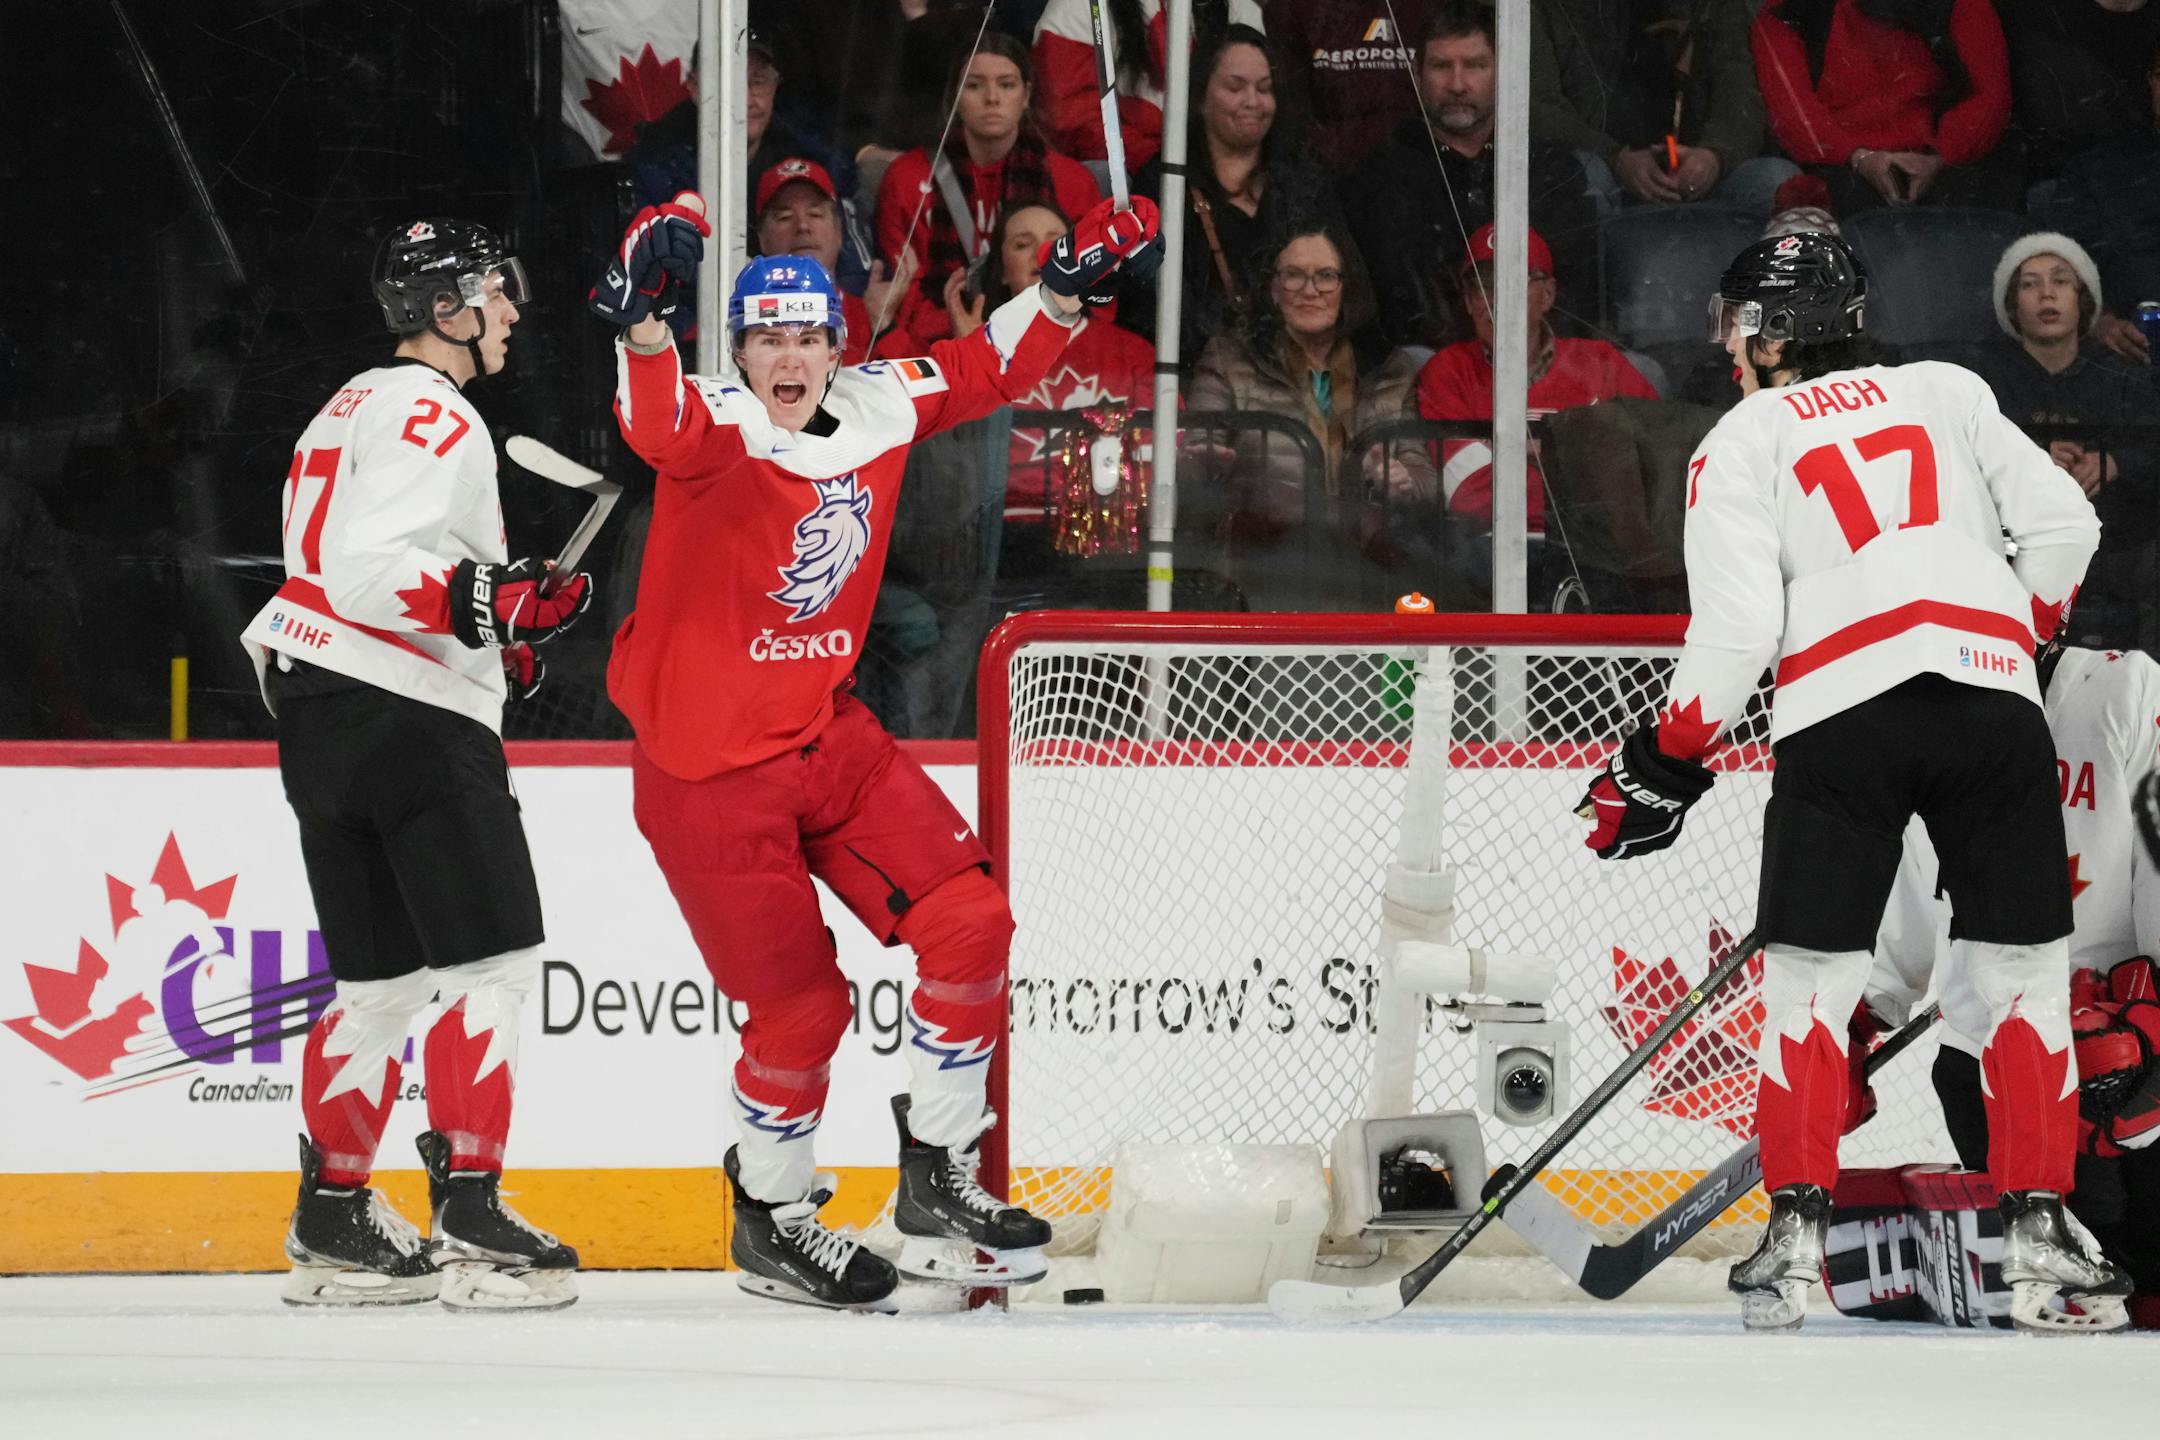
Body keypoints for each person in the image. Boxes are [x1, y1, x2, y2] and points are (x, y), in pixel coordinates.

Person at [590, 188, 1161, 1308]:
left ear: (838, 343)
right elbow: (654, 421)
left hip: (825, 733)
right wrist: (642, 326)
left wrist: (1063, 291)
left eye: (807, 336)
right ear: (737, 350)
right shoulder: (716, 427)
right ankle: (775, 1217)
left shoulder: (882, 401)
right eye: (765, 338)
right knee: (803, 1012)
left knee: (971, 921)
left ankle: (938, 1172)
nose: (788, 358)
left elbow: (989, 364)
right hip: (707, 776)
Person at [1576, 230, 2120, 1333]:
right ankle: (2042, 1234)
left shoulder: (1739, 438)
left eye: (1740, 328)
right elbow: (2067, 523)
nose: (1733, 351)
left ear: (1771, 336)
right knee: (2022, 972)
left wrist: (1665, 762)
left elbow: (1736, 633)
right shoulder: (1948, 389)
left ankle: (1790, 1247)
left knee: (1813, 981)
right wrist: (2018, 636)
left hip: (1841, 714)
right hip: (1989, 702)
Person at [237, 220, 591, 1312]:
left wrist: (500, 631)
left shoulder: (346, 404)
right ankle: (473, 1211)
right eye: (497, 291)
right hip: (406, 720)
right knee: (493, 965)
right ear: (447, 310)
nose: (513, 311)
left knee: (380, 986)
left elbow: (353, 571)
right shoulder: (438, 411)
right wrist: (487, 601)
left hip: (317, 711)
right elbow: (368, 569)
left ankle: (335, 1215)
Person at [1187, 217, 1423, 611]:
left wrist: (1403, 483)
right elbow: (1192, 460)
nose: (1310, 290)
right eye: (1293, 275)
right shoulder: (1229, 359)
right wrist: (1206, 462)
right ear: (1274, 289)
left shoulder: (1390, 368)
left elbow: (1425, 483)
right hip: (1265, 565)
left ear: (1348, 287)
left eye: (1326, 276)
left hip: (1370, 565)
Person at [1344, 1, 1595, 348]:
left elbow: (1577, 290)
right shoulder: (1382, 175)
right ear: (1417, 76)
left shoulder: (1547, 166)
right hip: (1432, 368)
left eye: (1474, 65)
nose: (1457, 84)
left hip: (1540, 361)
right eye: (1441, 66)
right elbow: (1397, 308)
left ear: (1501, 71)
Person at [1971, 233, 2160, 652]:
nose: (2046, 293)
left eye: (2060, 281)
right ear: (2011, 305)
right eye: (2029, 284)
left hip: (2121, 548)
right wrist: (2030, 462)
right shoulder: (1982, 379)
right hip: (2016, 550)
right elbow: (1959, 459)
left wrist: (2115, 463)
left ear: (2084, 299)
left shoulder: (2123, 375)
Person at [1416, 223, 1659, 533]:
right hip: (1494, 567)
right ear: (1467, 301)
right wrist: (1584, 467)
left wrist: (1539, 456)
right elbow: (1470, 492)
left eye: (1515, 280)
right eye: (1484, 284)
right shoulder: (1446, 373)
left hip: (1602, 565)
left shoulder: (1602, 364)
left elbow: (1654, 470)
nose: (1498, 300)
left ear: (1547, 294)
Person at [875, 34, 1101, 352]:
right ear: (954, 96)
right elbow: (902, 298)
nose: (992, 98)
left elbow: (1097, 291)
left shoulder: (1072, 182)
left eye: (1007, 85)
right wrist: (964, 327)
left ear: (1026, 96)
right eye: (975, 85)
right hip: (940, 348)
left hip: (1051, 348)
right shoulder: (907, 178)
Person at [1140, 24, 1334, 365]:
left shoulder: (1305, 180)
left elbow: (1345, 286)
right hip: (1199, 373)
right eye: (1235, 87)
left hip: (1302, 366)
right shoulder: (1162, 184)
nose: (1253, 102)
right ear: (1199, 97)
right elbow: (1153, 310)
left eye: (1265, 88)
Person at [1531, 0, 1796, 216]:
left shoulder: (1715, 7)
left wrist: (1713, 156)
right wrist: (1617, 159)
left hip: (1699, 175)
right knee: (1583, 180)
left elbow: (1741, 96)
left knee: (1778, 181)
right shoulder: (1549, 9)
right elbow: (1536, 106)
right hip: (1606, 172)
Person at [1751, 0, 2018, 213]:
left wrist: (1940, 157)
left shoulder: (1960, 6)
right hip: (1836, 168)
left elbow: (1991, 98)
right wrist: (1858, 157)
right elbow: (1792, 113)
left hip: (1943, 164)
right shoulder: (1790, 11)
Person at [1031, 0, 1265, 171]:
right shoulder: (1078, 7)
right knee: (1102, 175)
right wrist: (1163, 165)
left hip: (1217, 169)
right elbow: (1072, 121)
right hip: (1130, 175)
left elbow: (1262, 100)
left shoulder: (1238, 8)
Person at [756, 157, 910, 365]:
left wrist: (883, 325)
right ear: (762, 239)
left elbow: (915, 389)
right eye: (785, 217)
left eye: (815, 214)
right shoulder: (745, 317)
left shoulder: (873, 314)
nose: (803, 226)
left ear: (839, 232)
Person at [1270, 0, 1439, 169]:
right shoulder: (1292, 9)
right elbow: (1291, 114)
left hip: (1425, 163)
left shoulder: (1433, 7)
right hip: (1330, 170)